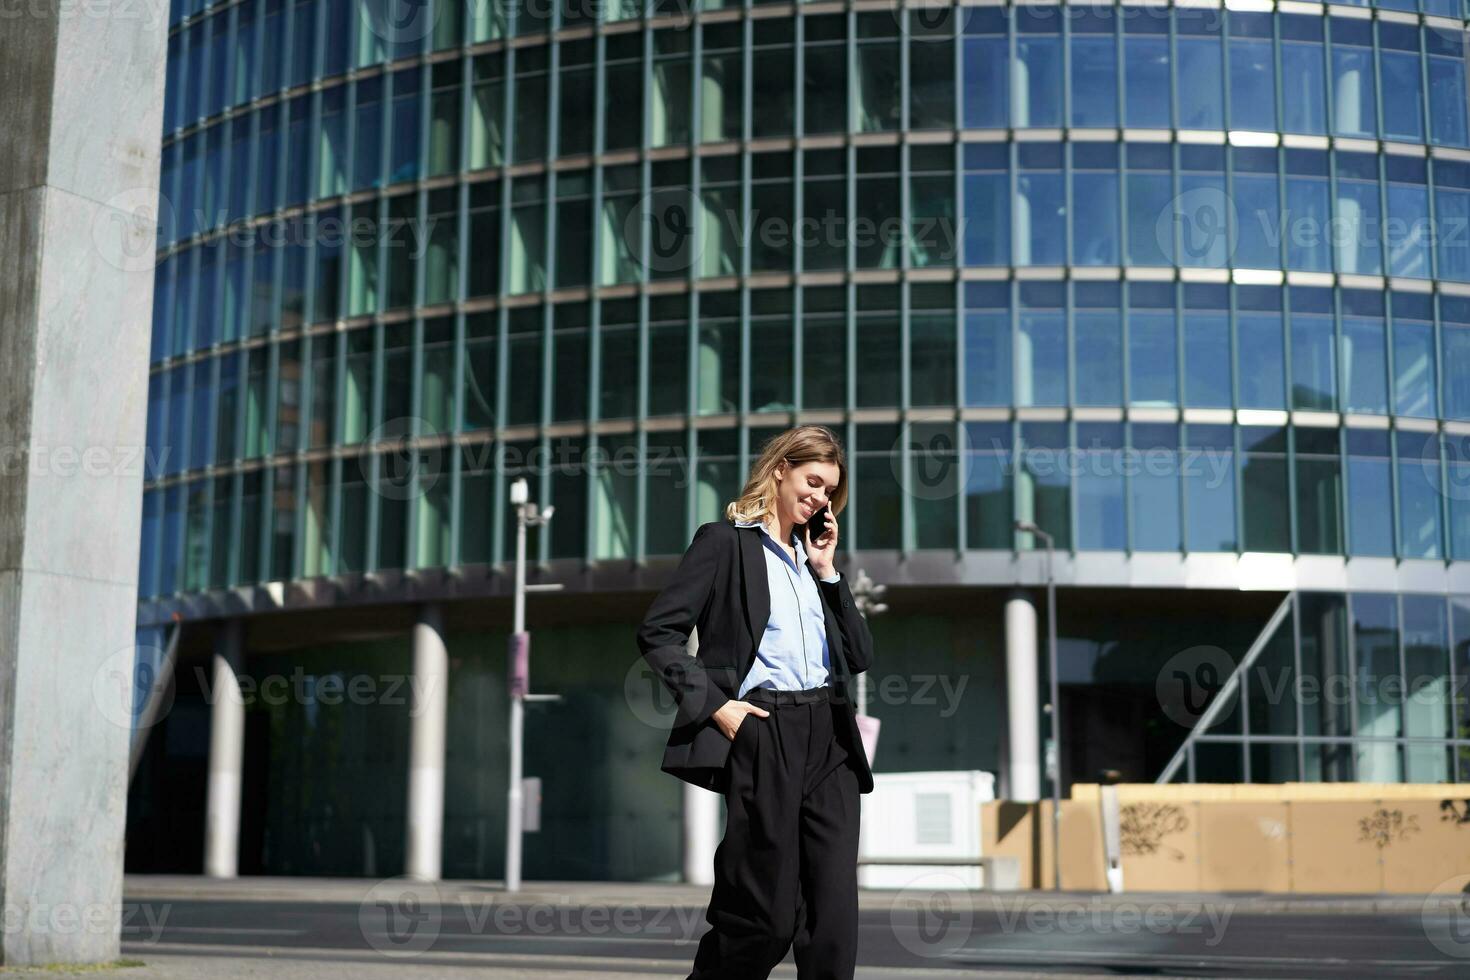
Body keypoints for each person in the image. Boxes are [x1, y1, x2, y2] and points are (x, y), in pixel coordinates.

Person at [635, 424, 875, 980]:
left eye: (829, 492)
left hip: (831, 738)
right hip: (765, 728)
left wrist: (829, 572)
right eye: (812, 483)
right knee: (763, 916)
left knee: (834, 916)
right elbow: (659, 633)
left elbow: (859, 654)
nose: (819, 499)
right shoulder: (725, 543)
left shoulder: (814, 561)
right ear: (779, 471)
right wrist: (717, 706)